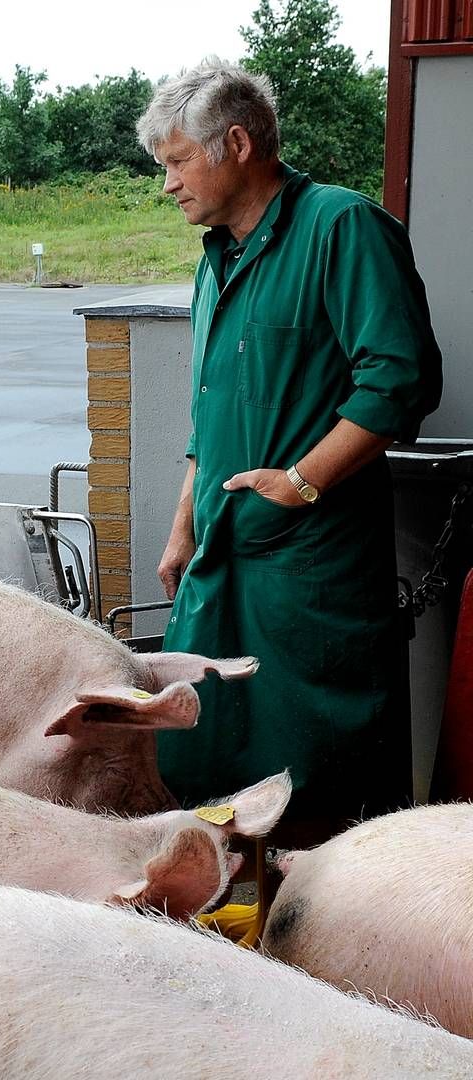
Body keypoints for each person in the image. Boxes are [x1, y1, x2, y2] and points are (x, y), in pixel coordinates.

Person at [135, 59, 442, 833]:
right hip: (222, 563)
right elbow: (210, 414)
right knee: (206, 759)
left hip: (311, 571)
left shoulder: (342, 227)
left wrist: (302, 481)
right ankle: (233, 921)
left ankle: (330, 934)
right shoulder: (217, 260)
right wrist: (184, 522)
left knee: (322, 782)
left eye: (176, 162)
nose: (167, 184)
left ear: (235, 143)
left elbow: (399, 382)